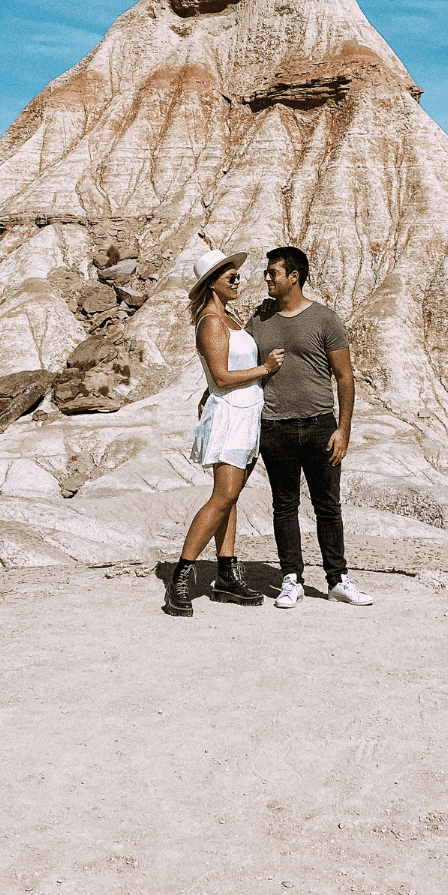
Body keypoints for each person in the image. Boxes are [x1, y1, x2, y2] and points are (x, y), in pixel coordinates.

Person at [246, 246, 373, 608]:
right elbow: (238, 357)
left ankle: (338, 580)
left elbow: (345, 377)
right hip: (274, 427)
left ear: (294, 276)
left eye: (273, 272)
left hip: (320, 426)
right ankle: (291, 579)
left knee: (328, 506)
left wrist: (343, 429)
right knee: (284, 506)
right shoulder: (259, 320)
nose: (267, 278)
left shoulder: (325, 319)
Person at [162, 249, 285, 618]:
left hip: (247, 413)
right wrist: (265, 369)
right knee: (223, 496)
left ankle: (226, 575)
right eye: (230, 277)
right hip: (232, 415)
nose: (238, 281)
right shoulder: (211, 322)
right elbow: (221, 376)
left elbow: (222, 371)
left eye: (237, 276)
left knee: (230, 498)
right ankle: (180, 576)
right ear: (211, 283)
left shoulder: (228, 317)